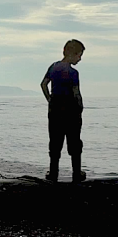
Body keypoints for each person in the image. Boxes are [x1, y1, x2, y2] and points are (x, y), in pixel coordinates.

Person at [40, 39, 85, 182]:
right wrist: (80, 108)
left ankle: (53, 174)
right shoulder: (73, 72)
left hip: (54, 111)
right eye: (79, 55)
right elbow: (76, 92)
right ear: (72, 54)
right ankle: (76, 174)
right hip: (71, 112)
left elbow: (43, 84)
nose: (80, 59)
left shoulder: (53, 67)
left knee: (55, 143)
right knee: (74, 144)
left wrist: (50, 100)